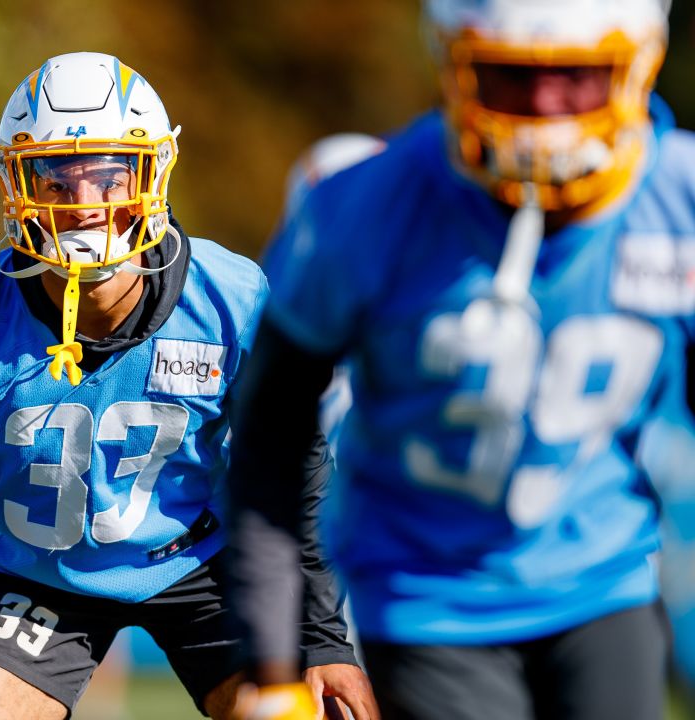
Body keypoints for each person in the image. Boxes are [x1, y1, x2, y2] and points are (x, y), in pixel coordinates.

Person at [0, 51, 378, 720]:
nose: (83, 205)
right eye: (54, 175)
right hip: (39, 574)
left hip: (204, 561)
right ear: (18, 183)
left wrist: (324, 638)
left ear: (151, 172)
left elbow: (294, 476)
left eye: (108, 175)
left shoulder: (229, 299)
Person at [226, 1, 687, 719]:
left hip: (603, 581)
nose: (545, 108)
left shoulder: (677, 202)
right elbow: (269, 443)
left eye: (579, 76)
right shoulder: (369, 205)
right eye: (509, 76)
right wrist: (274, 660)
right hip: (427, 598)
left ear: (638, 66)